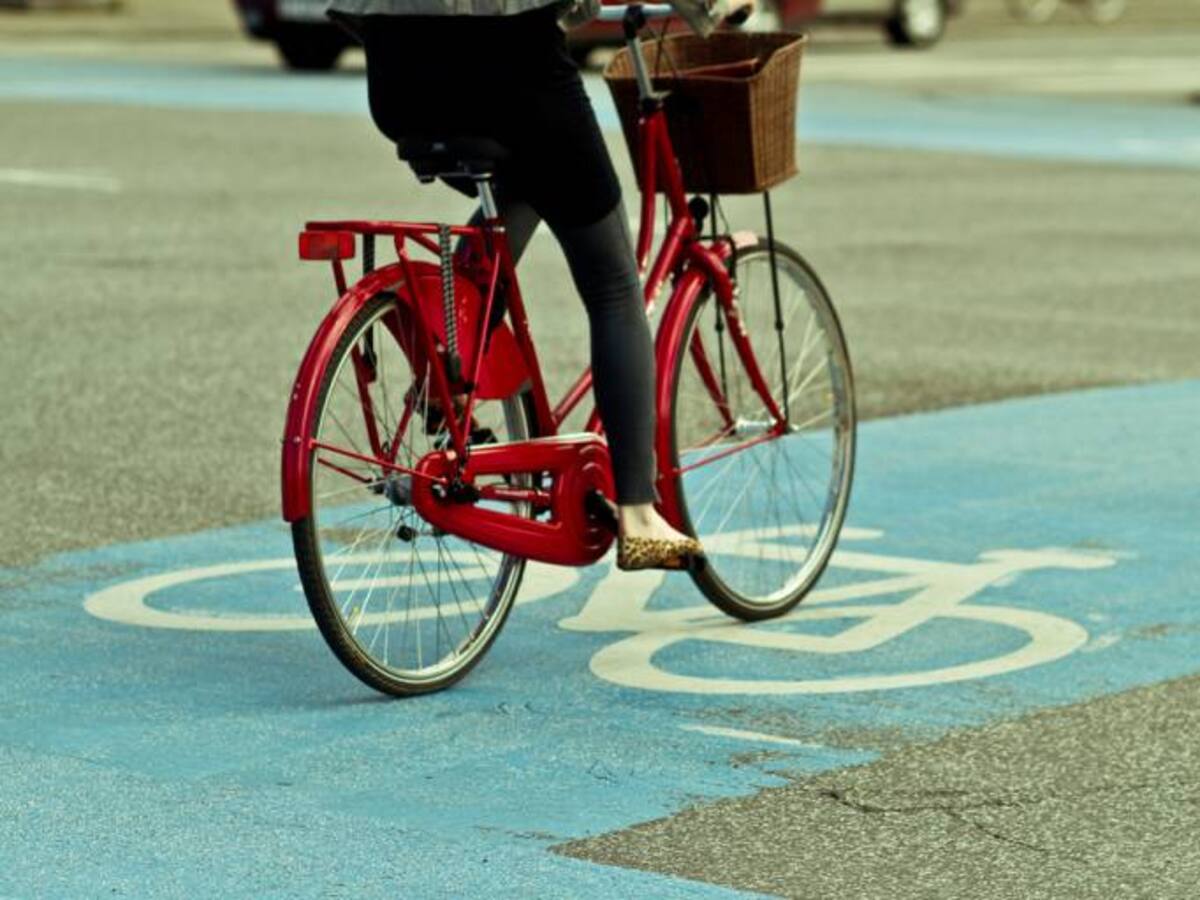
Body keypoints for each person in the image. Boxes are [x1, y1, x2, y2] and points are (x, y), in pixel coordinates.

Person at [328, 0, 750, 570]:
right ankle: (639, 514)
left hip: (399, 80)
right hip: (512, 69)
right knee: (613, 284)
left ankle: (445, 368)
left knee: (526, 182)